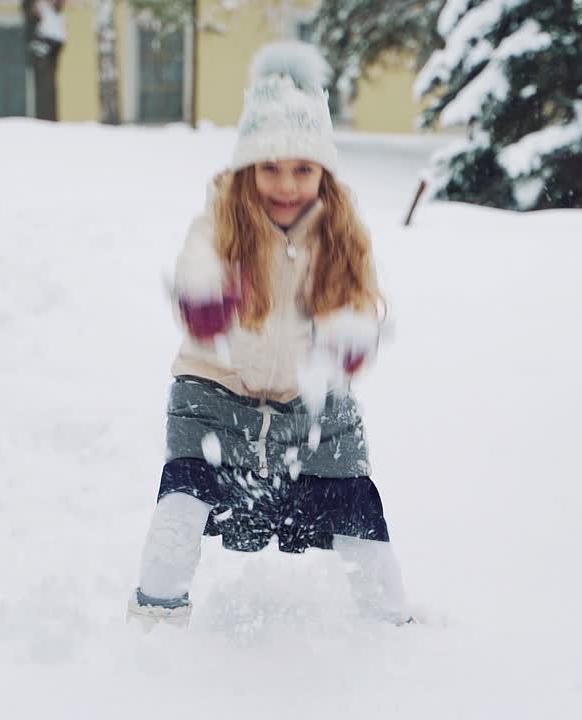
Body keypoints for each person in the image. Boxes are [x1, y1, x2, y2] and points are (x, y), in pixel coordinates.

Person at [128, 41, 410, 629]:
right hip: (214, 392)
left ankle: (389, 625)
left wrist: (352, 335)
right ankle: (155, 618)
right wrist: (206, 293)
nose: (285, 185)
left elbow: (356, 298)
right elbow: (196, 261)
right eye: (270, 167)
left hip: (312, 406)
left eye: (302, 169)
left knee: (357, 509)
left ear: (324, 174)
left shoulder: (341, 234)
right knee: (181, 502)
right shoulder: (221, 218)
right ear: (247, 168)